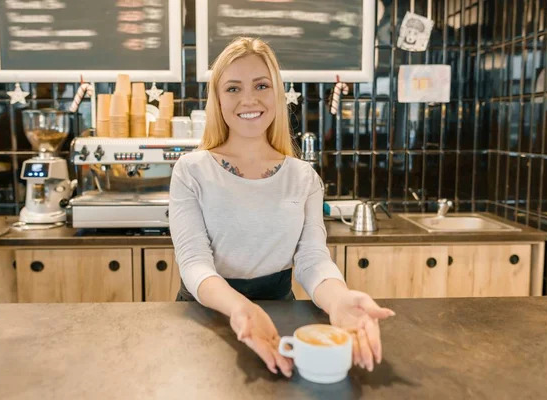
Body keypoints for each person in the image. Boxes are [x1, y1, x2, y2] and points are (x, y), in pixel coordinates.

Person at [169, 37, 395, 378]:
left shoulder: (303, 177)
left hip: (279, 315)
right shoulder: (191, 170)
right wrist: (240, 308)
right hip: (207, 317)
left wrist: (338, 300)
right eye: (233, 88)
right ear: (217, 100)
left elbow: (312, 259)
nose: (249, 99)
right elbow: (194, 264)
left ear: (277, 93)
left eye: (261, 85)